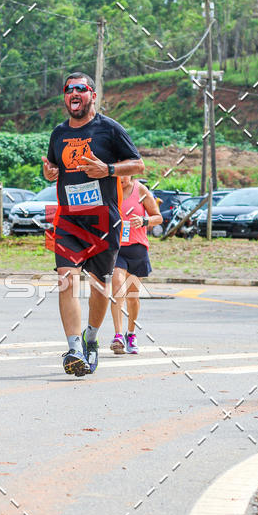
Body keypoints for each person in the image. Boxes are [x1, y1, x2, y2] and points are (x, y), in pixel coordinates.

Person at [42, 72, 144, 376]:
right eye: (68, 90)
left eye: (81, 89)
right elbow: (52, 167)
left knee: (100, 285)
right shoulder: (58, 133)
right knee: (66, 278)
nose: (74, 94)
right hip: (69, 219)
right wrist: (49, 173)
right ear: (65, 97)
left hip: (103, 220)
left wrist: (108, 169)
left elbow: (138, 164)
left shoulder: (110, 129)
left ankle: (90, 338)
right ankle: (73, 349)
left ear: (92, 95)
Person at [110, 174, 162, 355]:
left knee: (132, 297)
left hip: (137, 249)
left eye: (124, 174)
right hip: (117, 249)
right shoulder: (110, 189)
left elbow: (158, 217)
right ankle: (118, 336)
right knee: (117, 288)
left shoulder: (140, 190)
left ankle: (130, 333)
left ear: (131, 173)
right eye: (117, 174)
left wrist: (144, 221)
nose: (121, 178)